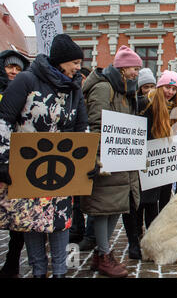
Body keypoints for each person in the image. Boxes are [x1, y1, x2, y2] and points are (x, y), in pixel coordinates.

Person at [0, 34, 91, 278]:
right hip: (28, 164)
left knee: (60, 220)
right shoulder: (26, 80)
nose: (77, 68)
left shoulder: (74, 89)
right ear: (60, 62)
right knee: (32, 221)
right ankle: (39, 271)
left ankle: (60, 272)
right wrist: (2, 161)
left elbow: (82, 127)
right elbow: (4, 120)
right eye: (74, 63)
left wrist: (88, 162)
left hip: (63, 166)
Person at [82, 45, 142, 277]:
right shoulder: (103, 88)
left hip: (121, 159)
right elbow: (97, 123)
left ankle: (102, 253)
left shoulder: (125, 91)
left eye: (138, 68)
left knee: (117, 205)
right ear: (122, 67)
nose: (137, 72)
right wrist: (97, 157)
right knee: (102, 209)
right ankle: (104, 255)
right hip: (105, 160)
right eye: (134, 68)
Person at [137, 70, 177, 236]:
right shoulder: (146, 103)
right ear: (160, 85)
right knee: (143, 200)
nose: (170, 92)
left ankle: (153, 234)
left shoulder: (172, 108)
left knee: (155, 200)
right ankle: (140, 234)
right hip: (145, 158)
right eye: (168, 87)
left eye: (173, 89)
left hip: (160, 159)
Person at [0, 50, 30, 278]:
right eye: (10, 67)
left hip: (16, 162)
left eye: (18, 69)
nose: (13, 72)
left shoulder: (24, 92)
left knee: (16, 219)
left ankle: (12, 263)